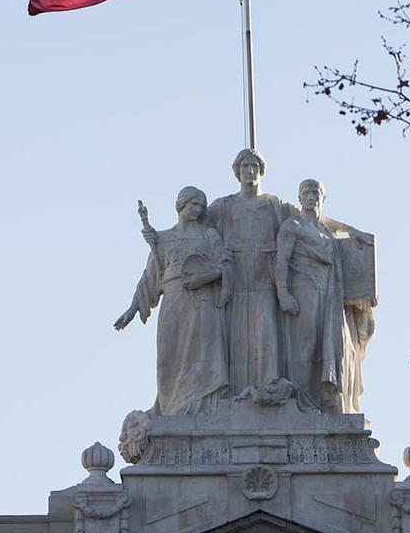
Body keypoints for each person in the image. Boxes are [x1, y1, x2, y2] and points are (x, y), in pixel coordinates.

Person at [115, 187, 231, 415]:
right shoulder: (164, 239)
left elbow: (226, 266)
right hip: (173, 300)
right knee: (168, 359)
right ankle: (171, 410)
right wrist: (132, 310)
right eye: (193, 204)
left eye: (201, 206)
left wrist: (204, 277)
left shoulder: (209, 236)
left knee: (202, 356)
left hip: (202, 301)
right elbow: (150, 276)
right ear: (181, 205)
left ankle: (201, 410)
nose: (197, 210)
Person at [203, 149, 298, 400]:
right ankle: (234, 393)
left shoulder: (274, 205)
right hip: (234, 277)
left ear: (262, 171)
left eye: (255, 166)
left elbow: (311, 221)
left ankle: (269, 385)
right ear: (237, 172)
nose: (250, 171)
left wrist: (350, 231)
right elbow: (194, 228)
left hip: (265, 275)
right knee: (236, 335)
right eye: (245, 167)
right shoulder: (223, 206)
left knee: (265, 329)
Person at [276, 179, 350, 412]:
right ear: (299, 198)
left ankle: (322, 398)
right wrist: (283, 293)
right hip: (303, 287)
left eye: (316, 192)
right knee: (304, 345)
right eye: (306, 192)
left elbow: (331, 224)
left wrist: (354, 232)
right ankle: (302, 401)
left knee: (326, 345)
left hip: (328, 293)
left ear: (323, 198)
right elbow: (281, 261)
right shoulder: (292, 225)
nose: (311, 196)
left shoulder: (326, 232)